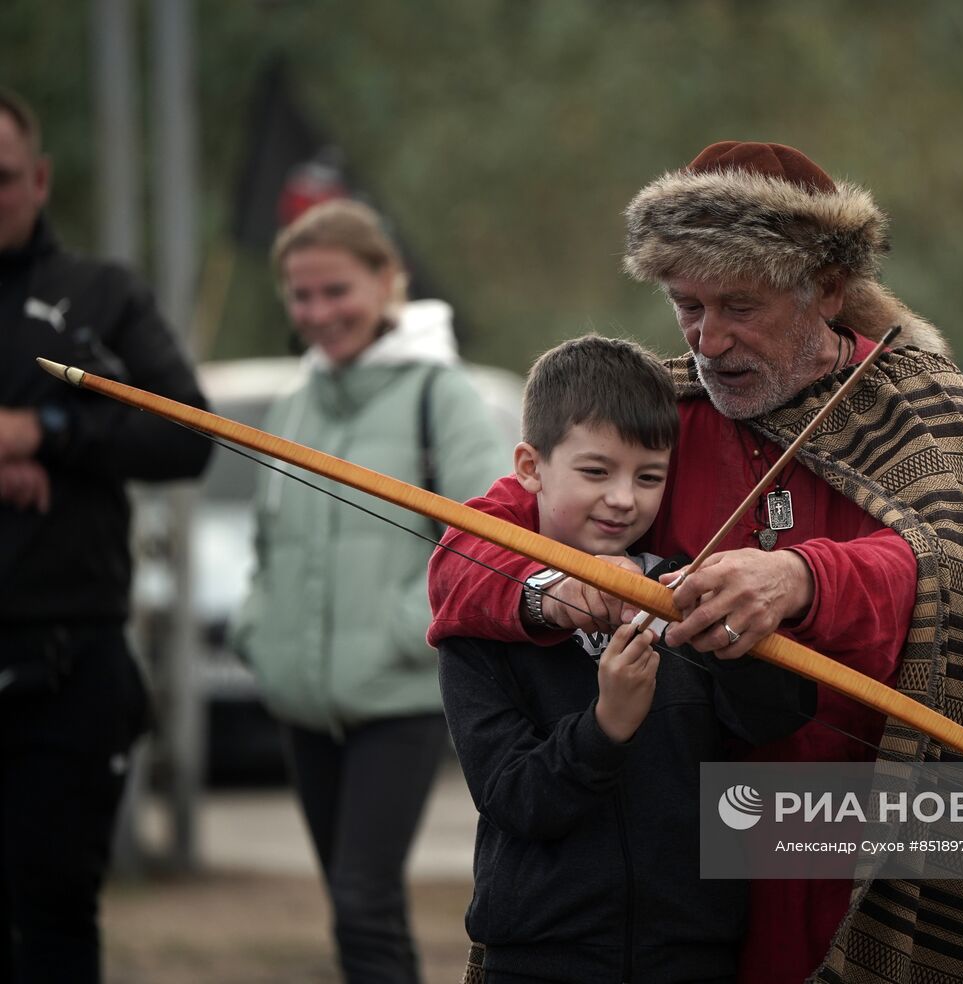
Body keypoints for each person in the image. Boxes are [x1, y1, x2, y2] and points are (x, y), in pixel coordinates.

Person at [429, 142, 963, 983]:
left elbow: (946, 568)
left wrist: (801, 577)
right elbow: (468, 549)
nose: (710, 339)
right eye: (687, 305)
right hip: (695, 858)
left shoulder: (917, 406)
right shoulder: (664, 412)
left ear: (830, 291)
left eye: (741, 304)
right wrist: (555, 592)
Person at [439, 334, 813, 983]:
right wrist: (606, 726)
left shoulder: (681, 589)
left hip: (693, 953)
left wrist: (730, 638)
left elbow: (776, 718)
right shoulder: (480, 628)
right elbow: (516, 800)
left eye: (649, 477)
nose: (623, 499)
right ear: (530, 467)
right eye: (595, 472)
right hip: (541, 957)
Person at [230, 199, 509, 983]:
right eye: (301, 295)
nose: (318, 313)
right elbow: (265, 544)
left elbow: (491, 537)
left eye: (337, 291)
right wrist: (261, 627)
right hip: (301, 699)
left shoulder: (441, 397)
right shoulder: (293, 403)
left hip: (400, 694)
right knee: (353, 907)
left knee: (363, 901)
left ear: (390, 281)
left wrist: (404, 626)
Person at [0, 88, 211, 982]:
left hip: (67, 661)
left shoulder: (97, 297)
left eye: (2, 178)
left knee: (53, 916)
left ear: (40, 179)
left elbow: (186, 435)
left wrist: (51, 433)